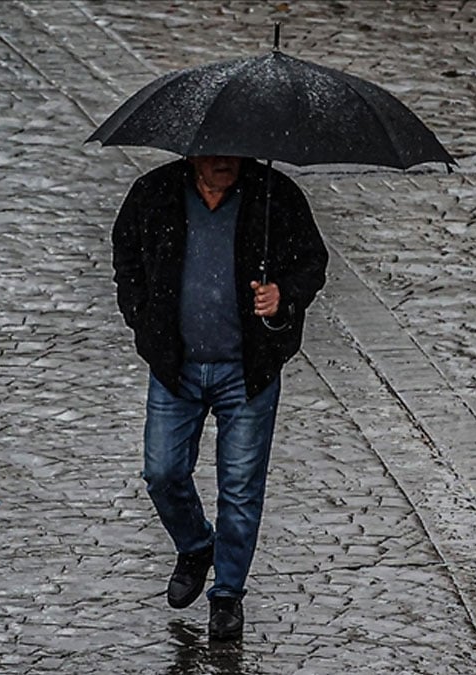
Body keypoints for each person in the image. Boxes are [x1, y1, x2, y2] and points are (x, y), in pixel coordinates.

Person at [110, 154, 328, 640]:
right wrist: (143, 321)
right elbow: (126, 258)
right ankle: (194, 545)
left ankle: (227, 595)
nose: (224, 161)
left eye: (233, 150)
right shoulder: (154, 194)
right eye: (213, 150)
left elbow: (313, 263)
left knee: (241, 489)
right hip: (175, 369)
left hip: (246, 371)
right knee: (162, 471)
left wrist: (283, 294)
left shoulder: (276, 196)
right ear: (192, 153)